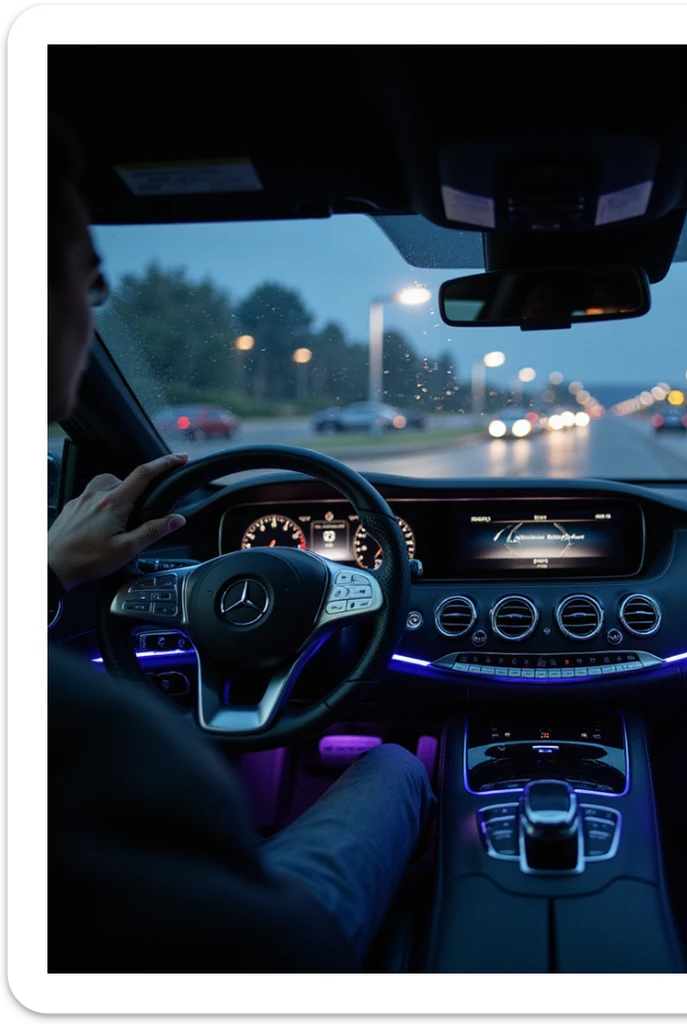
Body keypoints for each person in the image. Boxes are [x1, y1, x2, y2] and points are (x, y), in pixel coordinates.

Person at [46, 116, 436, 972]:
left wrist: (46, 573)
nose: (101, 290)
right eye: (90, 272)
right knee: (398, 768)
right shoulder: (101, 740)